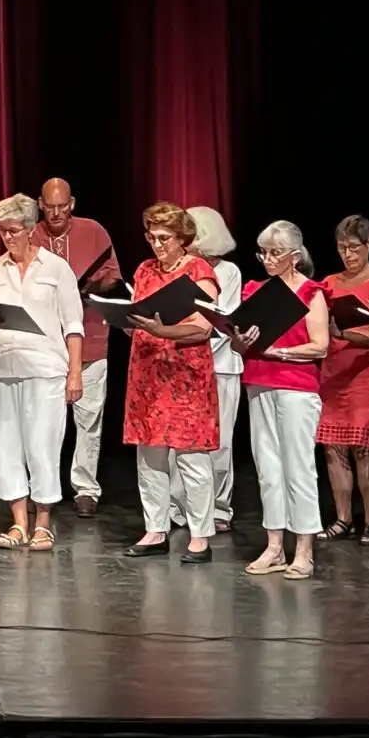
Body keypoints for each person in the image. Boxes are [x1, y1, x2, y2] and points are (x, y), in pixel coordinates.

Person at [0, 194, 84, 551]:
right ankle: (19, 522)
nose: (7, 237)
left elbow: (74, 325)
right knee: (6, 447)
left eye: (14, 230)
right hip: (0, 367)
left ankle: (44, 523)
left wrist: (75, 374)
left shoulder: (55, 269)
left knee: (42, 446)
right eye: (2, 231)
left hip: (45, 368)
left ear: (31, 229)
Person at [121, 203, 221, 563]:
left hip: (185, 375)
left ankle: (200, 535)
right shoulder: (145, 270)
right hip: (148, 371)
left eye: (164, 238)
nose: (157, 245)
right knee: (149, 455)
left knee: (191, 456)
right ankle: (155, 528)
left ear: (182, 239)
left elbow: (204, 326)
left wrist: (164, 331)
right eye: (152, 238)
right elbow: (138, 312)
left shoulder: (199, 271)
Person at [232, 220, 331, 579]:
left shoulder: (310, 292)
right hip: (259, 383)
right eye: (263, 253)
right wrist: (240, 342)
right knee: (268, 468)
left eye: (275, 253)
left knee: (298, 467)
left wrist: (280, 353)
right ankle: (274, 546)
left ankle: (304, 549)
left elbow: (320, 345)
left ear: (294, 255)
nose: (268, 259)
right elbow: (238, 338)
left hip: (296, 387)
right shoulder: (256, 290)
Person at [28, 178, 122, 517]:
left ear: (73, 203)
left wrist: (94, 286)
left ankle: (85, 488)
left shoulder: (94, 231)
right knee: (43, 421)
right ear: (40, 203)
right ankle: (43, 486)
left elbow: (114, 278)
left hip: (92, 336)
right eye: (49, 206)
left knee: (88, 419)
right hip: (44, 344)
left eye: (62, 206)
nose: (55, 213)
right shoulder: (31, 234)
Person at [317, 216, 369, 544]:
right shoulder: (329, 283)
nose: (347, 254)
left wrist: (340, 331)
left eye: (354, 247)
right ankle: (343, 518)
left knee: (364, 449)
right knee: (334, 447)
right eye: (341, 248)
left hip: (365, 373)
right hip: (333, 373)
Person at [168, 206, 242, 534]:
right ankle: (177, 506)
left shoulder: (228, 272)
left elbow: (226, 322)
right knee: (179, 442)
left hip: (221, 367)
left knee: (220, 442)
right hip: (181, 368)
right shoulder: (177, 268)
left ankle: (220, 507)